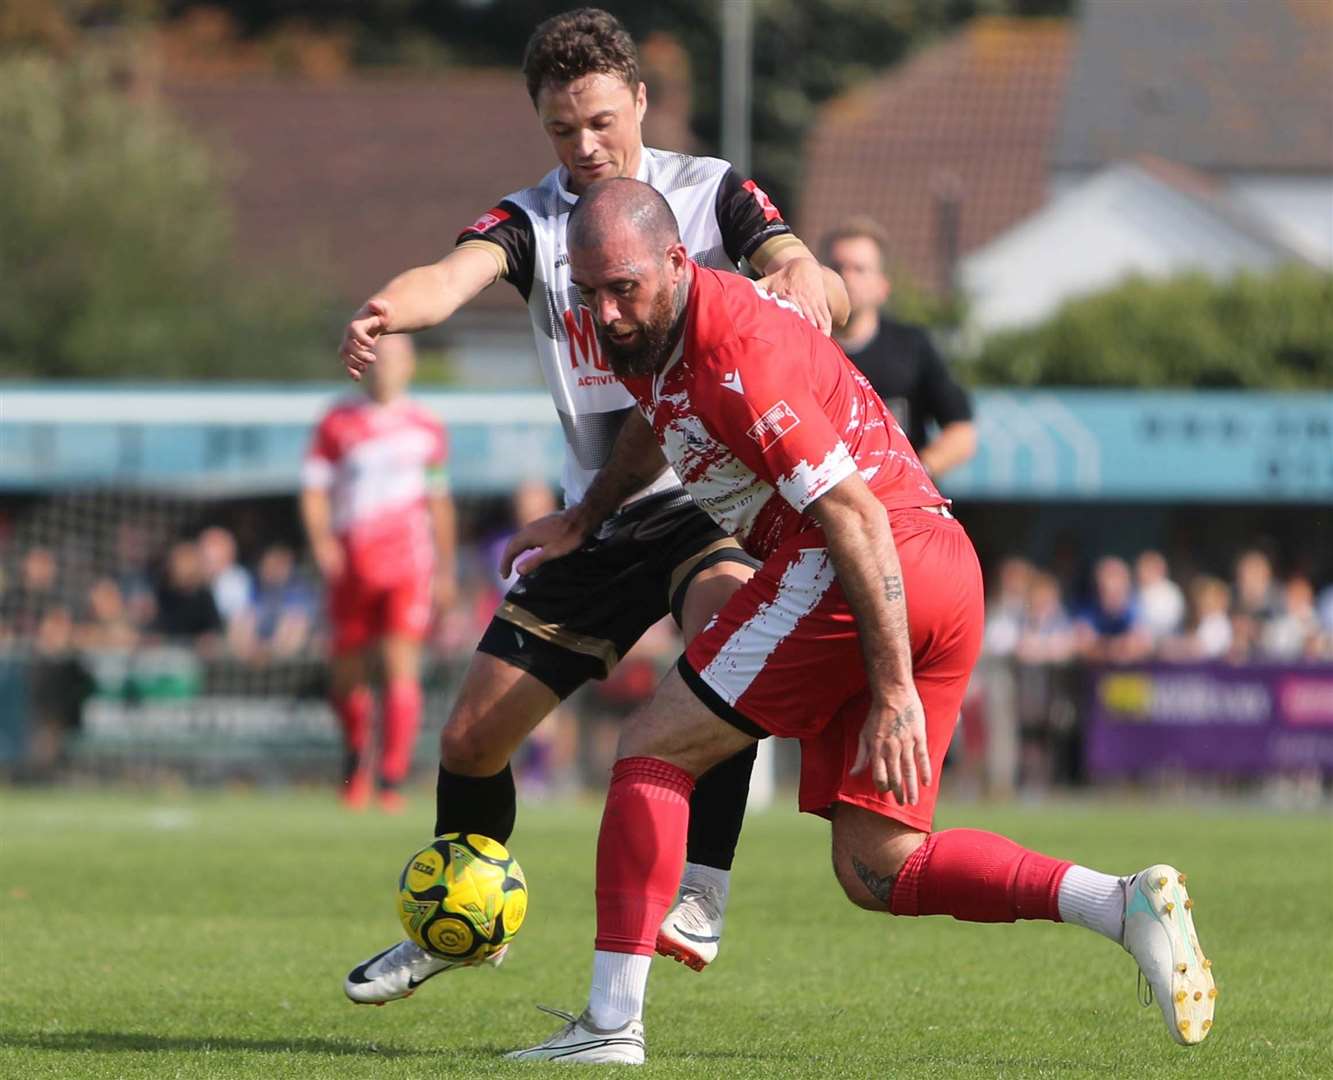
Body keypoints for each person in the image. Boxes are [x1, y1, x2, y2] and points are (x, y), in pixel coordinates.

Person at [507, 179, 1215, 1063]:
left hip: (870, 561)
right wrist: (585, 516)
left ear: (678, 263)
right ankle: (1118, 903)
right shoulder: (647, 335)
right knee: (877, 867)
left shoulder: (737, 352)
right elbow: (658, 423)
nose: (607, 312)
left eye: (625, 288)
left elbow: (852, 516)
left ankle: (608, 1027)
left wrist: (891, 692)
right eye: (590, 291)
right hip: (938, 567)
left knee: (652, 748)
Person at [338, 7, 849, 1002]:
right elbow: (453, 274)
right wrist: (390, 308)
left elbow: (790, 255)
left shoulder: (708, 192)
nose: (585, 147)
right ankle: (461, 919)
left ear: (641, 104)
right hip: (602, 516)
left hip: (714, 503)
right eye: (563, 130)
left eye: (601, 122)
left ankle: (701, 887)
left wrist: (799, 270)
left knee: (721, 639)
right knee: (469, 740)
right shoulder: (533, 220)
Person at [302, 333, 458, 814]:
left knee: (399, 667)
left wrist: (447, 568)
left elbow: (438, 500)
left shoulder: (425, 426)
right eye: (378, 358)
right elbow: (314, 491)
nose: (385, 368)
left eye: (394, 358)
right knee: (347, 672)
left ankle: (391, 778)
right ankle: (354, 764)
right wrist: (323, 544)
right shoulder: (337, 421)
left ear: (409, 366)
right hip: (352, 562)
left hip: (408, 564)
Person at [823, 217, 976, 478]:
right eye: (838, 267)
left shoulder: (912, 346)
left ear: (883, 287)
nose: (846, 277)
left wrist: (912, 474)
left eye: (859, 269)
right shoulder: (802, 348)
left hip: (899, 509)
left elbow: (961, 432)